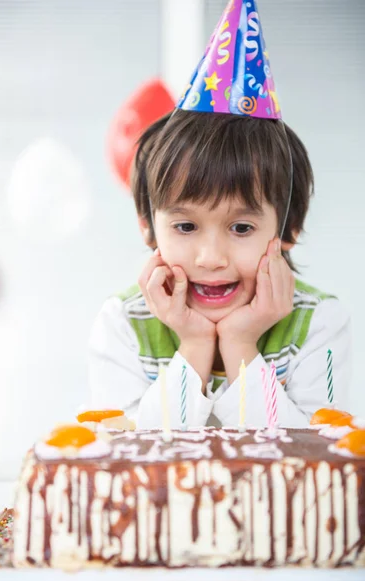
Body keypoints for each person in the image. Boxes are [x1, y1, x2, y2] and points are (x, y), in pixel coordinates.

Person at [89, 1, 350, 429]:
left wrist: (241, 342)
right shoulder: (121, 325)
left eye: (241, 227)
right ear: (148, 230)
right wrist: (193, 344)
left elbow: (310, 461)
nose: (211, 257)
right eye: (186, 226)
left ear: (288, 229)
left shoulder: (319, 323)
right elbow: (133, 459)